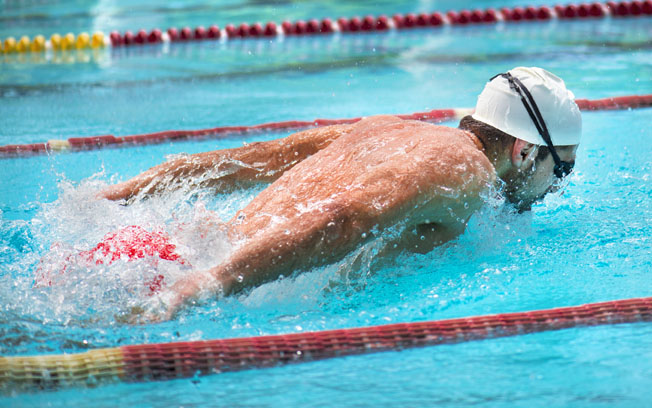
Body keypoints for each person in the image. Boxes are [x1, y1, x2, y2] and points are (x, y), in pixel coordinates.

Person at [100, 67, 581, 320]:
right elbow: (346, 218)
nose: (556, 188)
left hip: (153, 252)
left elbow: (262, 158)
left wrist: (121, 194)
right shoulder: (462, 170)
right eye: (560, 170)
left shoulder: (389, 128)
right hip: (181, 281)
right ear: (523, 152)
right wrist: (204, 284)